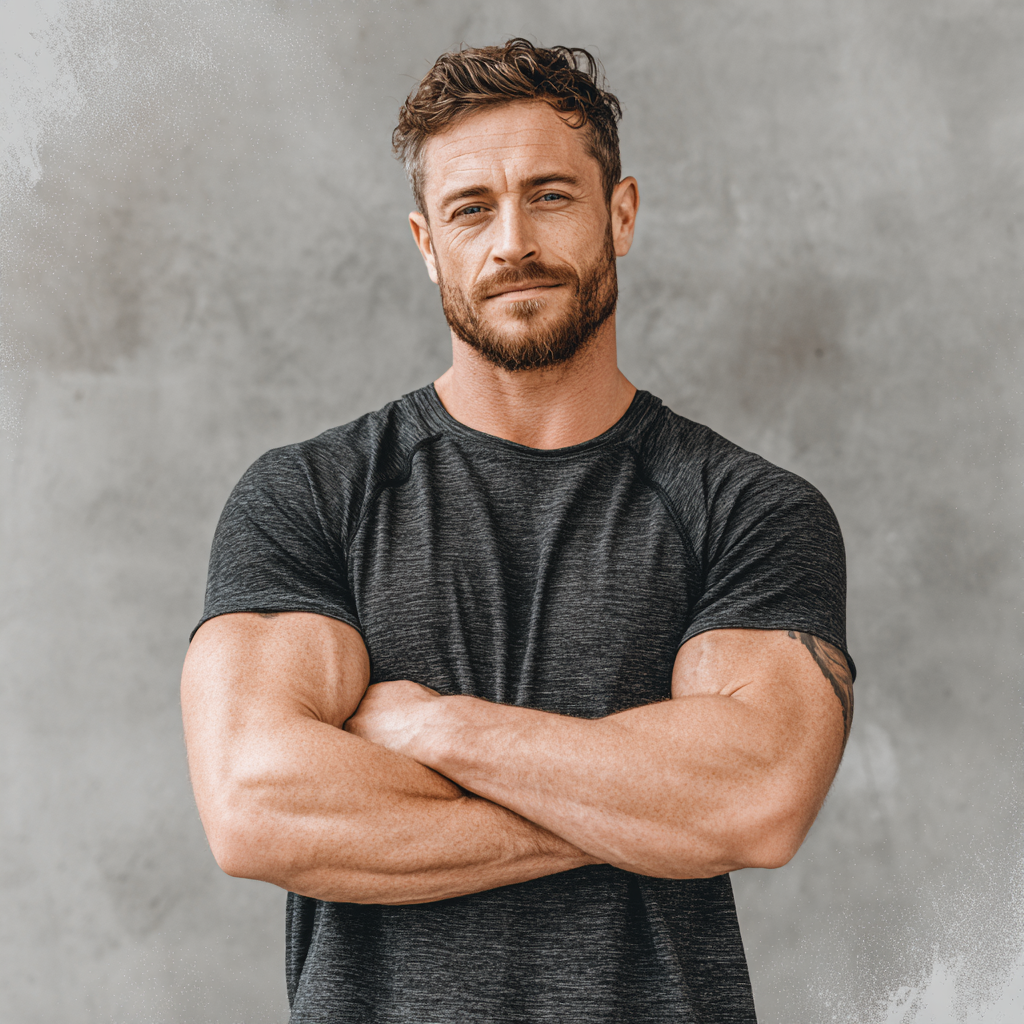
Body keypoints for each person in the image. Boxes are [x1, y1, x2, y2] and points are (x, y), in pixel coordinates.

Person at [181, 38, 854, 1024]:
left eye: (549, 195)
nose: (511, 244)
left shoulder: (747, 510)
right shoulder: (307, 499)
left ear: (619, 214)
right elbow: (255, 808)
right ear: (424, 243)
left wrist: (431, 724)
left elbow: (755, 798)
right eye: (470, 208)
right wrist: (643, 811)